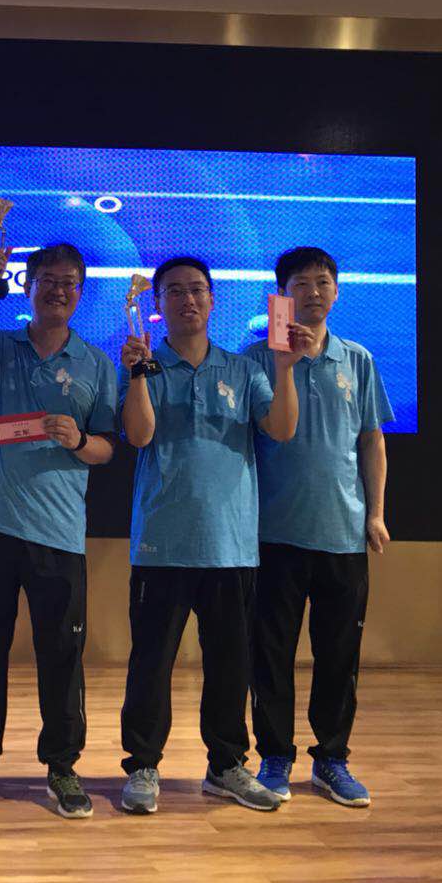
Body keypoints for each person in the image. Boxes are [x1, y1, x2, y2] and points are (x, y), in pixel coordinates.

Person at [117, 255, 310, 815]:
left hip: (231, 544)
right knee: (151, 663)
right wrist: (137, 375)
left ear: (212, 299)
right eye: (175, 291)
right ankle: (144, 765)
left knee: (230, 664)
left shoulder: (243, 369)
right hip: (161, 541)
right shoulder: (145, 365)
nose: (188, 299)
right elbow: (139, 435)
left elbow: (282, 429)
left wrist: (286, 368)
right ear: (157, 304)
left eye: (197, 290)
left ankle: (226, 765)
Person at [0, 242, 118, 820]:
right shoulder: (3, 341)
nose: (58, 290)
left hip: (60, 533)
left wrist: (78, 440)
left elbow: (107, 447)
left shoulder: (96, 363)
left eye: (69, 282)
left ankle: (63, 766)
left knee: (62, 656)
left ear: (80, 292)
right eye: (46, 279)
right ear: (27, 286)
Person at [245, 247, 393, 808]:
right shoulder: (256, 359)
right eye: (301, 283)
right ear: (282, 294)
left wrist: (375, 513)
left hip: (342, 534)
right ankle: (275, 756)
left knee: (338, 655)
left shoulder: (357, 359)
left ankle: (332, 759)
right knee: (271, 654)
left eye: (322, 281)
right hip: (272, 534)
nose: (313, 291)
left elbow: (371, 440)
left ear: (336, 291)